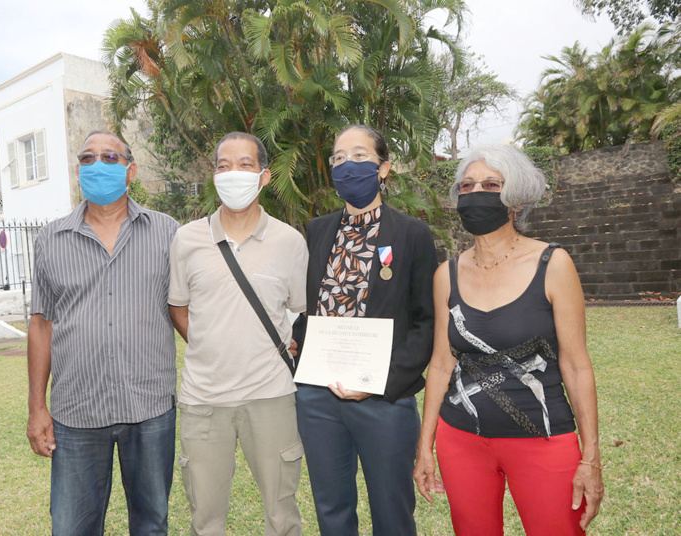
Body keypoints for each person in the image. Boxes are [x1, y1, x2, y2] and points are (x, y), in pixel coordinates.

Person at [413, 144, 604, 535]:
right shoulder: (446, 274)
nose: (475, 192)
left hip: (544, 438)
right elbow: (441, 363)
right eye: (466, 185)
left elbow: (575, 364)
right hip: (461, 439)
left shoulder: (553, 264)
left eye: (490, 184)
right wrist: (425, 446)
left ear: (514, 199)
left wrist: (591, 455)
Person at [26, 130, 179, 535]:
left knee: (151, 524)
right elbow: (41, 323)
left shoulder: (168, 232)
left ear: (130, 170)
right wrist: (37, 407)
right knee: (72, 526)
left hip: (149, 407)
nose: (98, 165)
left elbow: (186, 310)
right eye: (88, 158)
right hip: (76, 410)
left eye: (110, 158)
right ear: (79, 171)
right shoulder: (50, 238)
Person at [292, 124, 438, 535]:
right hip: (318, 398)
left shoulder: (412, 234)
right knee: (332, 509)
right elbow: (314, 305)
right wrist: (298, 342)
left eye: (359, 156)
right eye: (339, 158)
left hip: (383, 400)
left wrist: (381, 382)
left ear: (383, 168)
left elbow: (426, 321)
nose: (347, 165)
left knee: (391, 511)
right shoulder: (317, 231)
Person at [168, 132, 308, 536]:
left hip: (272, 396)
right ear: (213, 176)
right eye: (223, 165)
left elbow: (302, 309)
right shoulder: (186, 239)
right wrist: (210, 343)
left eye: (244, 165)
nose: (233, 174)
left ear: (264, 176)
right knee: (205, 519)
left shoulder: (290, 241)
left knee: (282, 517)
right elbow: (178, 305)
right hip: (203, 400)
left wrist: (289, 340)